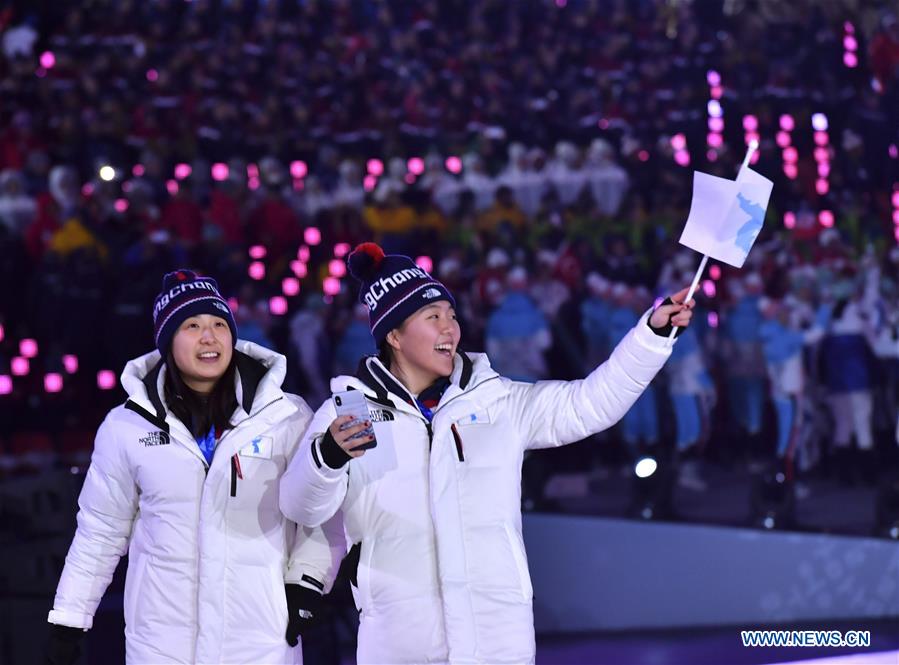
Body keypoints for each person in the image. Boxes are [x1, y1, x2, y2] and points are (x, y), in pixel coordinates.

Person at [280, 243, 694, 664]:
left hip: (497, 641)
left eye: (452, 315)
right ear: (394, 335)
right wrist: (327, 456)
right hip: (398, 643)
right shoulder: (347, 410)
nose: (450, 328)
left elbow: (589, 404)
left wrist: (652, 335)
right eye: (433, 317)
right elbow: (301, 507)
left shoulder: (496, 401)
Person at [46, 270, 343, 665]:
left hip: (260, 643)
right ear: (168, 340)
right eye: (192, 325)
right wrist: (69, 618)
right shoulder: (126, 426)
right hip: (161, 647)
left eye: (219, 324)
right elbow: (100, 531)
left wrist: (307, 581)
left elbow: (321, 514)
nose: (210, 336)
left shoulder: (287, 417)